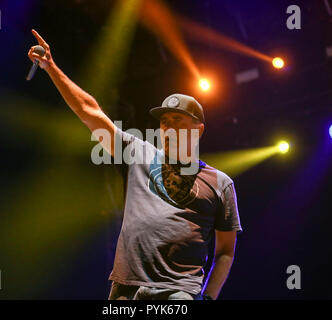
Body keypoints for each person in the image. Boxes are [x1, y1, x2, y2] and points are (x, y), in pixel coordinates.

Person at [27, 29, 242, 300]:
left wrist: (209, 297)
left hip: (179, 293)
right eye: (165, 121)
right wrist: (50, 67)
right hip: (126, 290)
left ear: (197, 130)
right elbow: (89, 111)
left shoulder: (220, 183)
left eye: (178, 121)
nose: (168, 127)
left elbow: (226, 251)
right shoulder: (137, 152)